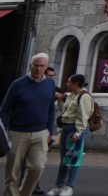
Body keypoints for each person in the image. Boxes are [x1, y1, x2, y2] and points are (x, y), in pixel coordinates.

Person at [1, 53, 57, 196]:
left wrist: (50, 131)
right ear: (30, 66)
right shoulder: (18, 84)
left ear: (46, 67)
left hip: (41, 133)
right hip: (17, 132)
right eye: (35, 66)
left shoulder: (50, 84)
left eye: (41, 66)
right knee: (13, 173)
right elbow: (4, 109)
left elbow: (51, 107)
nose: (38, 69)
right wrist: (5, 132)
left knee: (37, 167)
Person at [43, 75, 95, 196]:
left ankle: (69, 186)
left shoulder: (84, 96)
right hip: (66, 127)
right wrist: (60, 101)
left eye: (69, 82)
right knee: (64, 159)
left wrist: (78, 132)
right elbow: (66, 112)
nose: (67, 84)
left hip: (74, 129)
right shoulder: (72, 95)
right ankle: (59, 186)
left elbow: (83, 116)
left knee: (74, 159)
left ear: (75, 83)